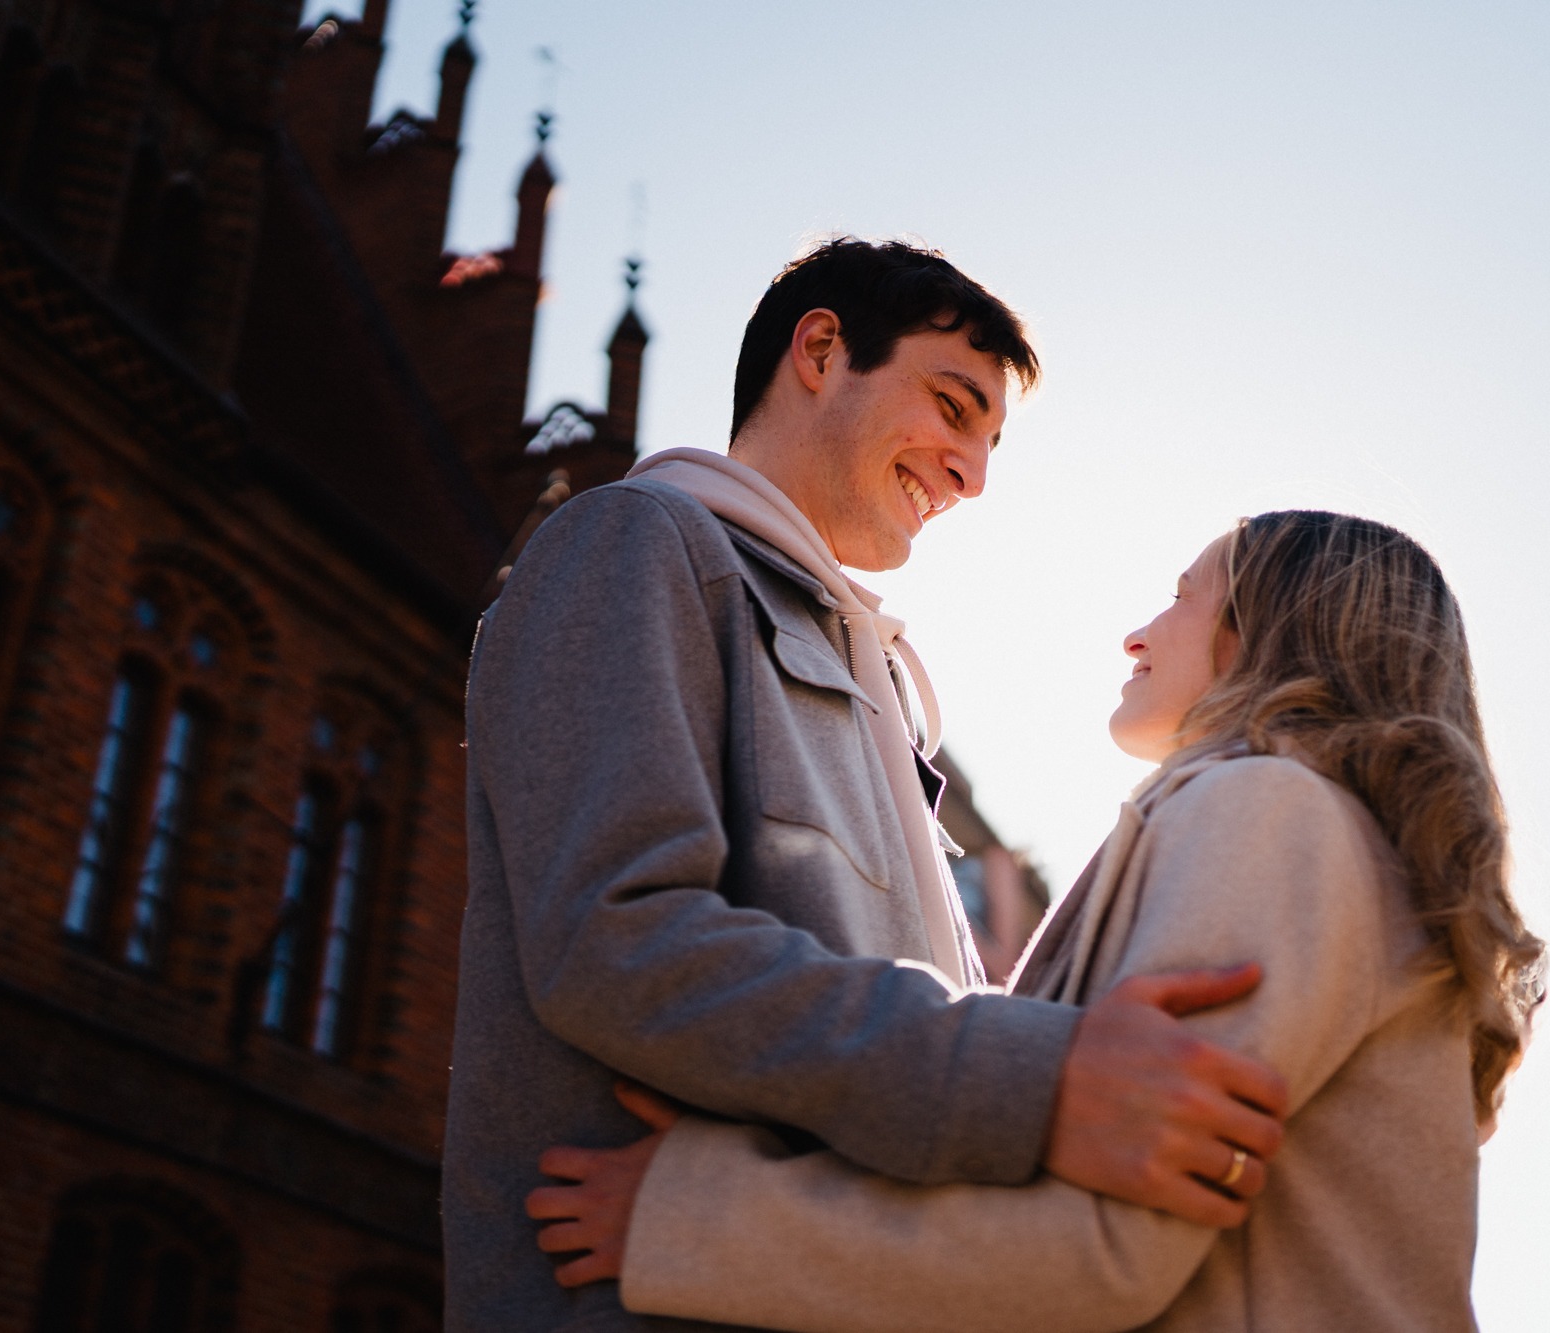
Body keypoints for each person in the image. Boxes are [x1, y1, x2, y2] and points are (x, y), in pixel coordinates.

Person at [444, 238, 1292, 1332]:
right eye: (950, 404)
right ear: (820, 349)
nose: (971, 471)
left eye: (987, 441)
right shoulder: (633, 542)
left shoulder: (880, 677)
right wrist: (1034, 1081)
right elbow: (619, 943)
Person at [528, 511, 1549, 1332]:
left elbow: (1107, 1243)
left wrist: (698, 1218)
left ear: (1270, 628)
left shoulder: (1266, 810)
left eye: (1187, 597)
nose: (1139, 630)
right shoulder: (1319, 835)